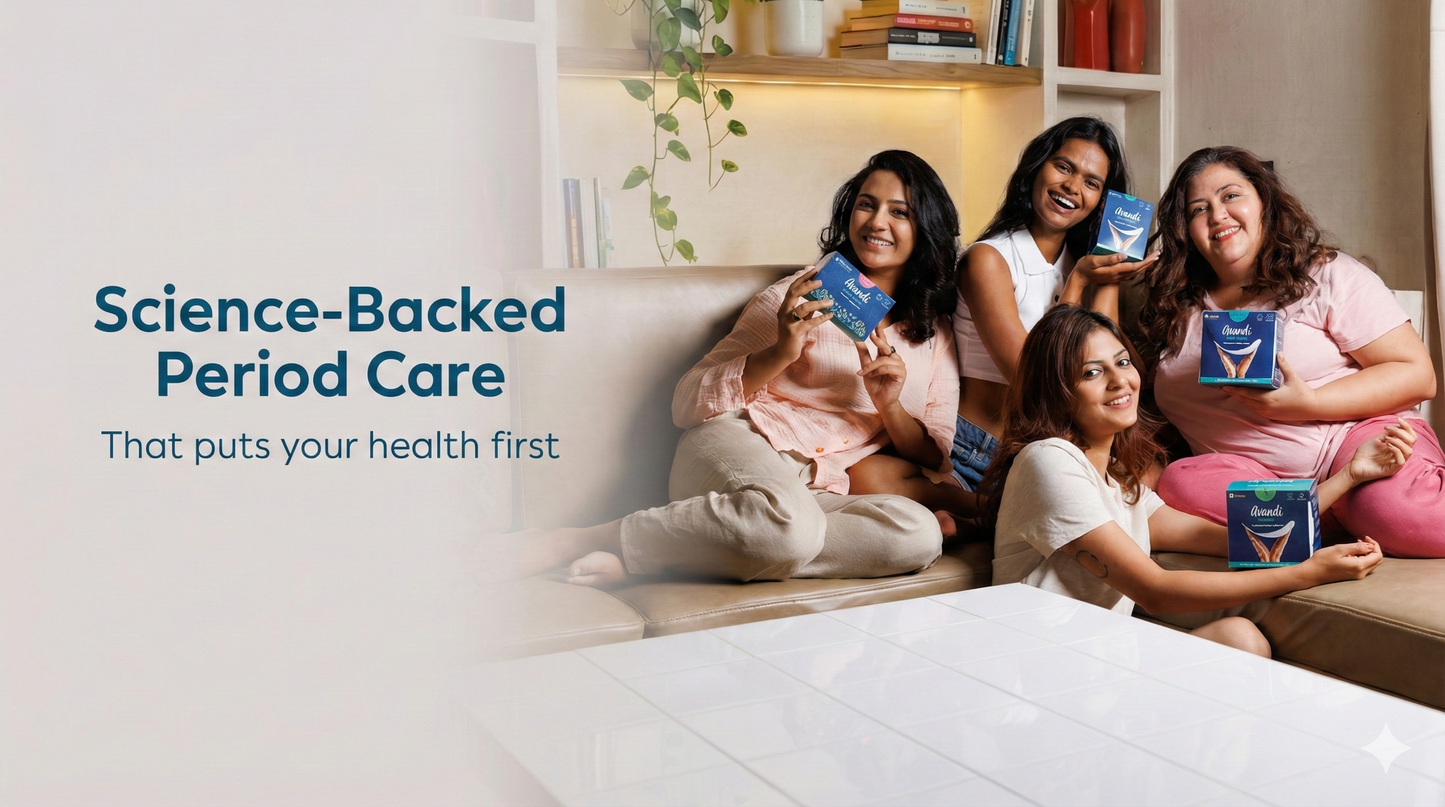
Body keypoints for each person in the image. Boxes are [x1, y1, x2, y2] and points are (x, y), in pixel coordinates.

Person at [495, 150, 965, 587]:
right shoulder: (797, 296)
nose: (877, 222)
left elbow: (936, 454)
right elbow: (686, 403)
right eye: (867, 205)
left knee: (918, 535)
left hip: (818, 487)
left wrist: (889, 406)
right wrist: (781, 351)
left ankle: (690, 549)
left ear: (926, 227)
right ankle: (584, 538)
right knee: (790, 527)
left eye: (899, 212)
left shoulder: (935, 334)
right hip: (740, 442)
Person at [983, 305, 1402, 654]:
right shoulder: (1048, 461)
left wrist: (1350, 475)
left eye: (1123, 361)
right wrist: (1309, 573)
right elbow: (1156, 590)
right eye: (1091, 373)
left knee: (1238, 639)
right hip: (1046, 662)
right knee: (1238, 640)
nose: (1119, 381)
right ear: (1055, 390)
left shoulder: (1117, 483)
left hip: (1104, 654)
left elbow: (1240, 538)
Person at [1137, 146, 1445, 558]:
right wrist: (1102, 283)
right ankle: (1322, 515)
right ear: (1185, 229)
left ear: (1264, 202)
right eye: (1198, 209)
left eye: (1231, 195)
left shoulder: (1326, 274)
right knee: (1181, 482)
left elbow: (1417, 374)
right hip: (1255, 476)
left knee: (1397, 511)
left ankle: (1327, 517)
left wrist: (1307, 403)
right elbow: (1115, 372)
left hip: (1355, 444)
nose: (1217, 215)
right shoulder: (1172, 307)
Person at [953, 116, 1159, 493]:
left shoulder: (1078, 260)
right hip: (979, 451)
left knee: (1153, 475)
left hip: (1053, 447)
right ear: (1036, 167)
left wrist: (1111, 271)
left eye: (1091, 183)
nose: (1072, 186)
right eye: (1063, 167)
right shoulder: (987, 259)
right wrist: (1079, 281)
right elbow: (1036, 381)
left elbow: (1105, 356)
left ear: (1101, 200)